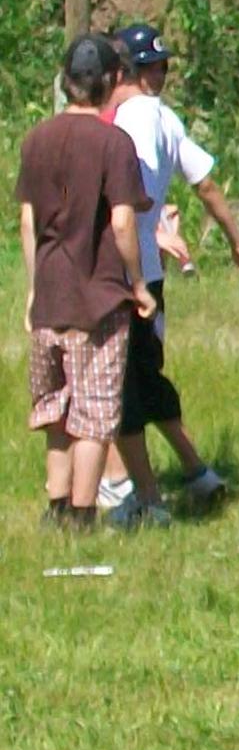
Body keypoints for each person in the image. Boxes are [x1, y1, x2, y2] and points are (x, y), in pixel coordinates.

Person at [97, 22, 239, 526]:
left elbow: (135, 190)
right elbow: (205, 183)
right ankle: (196, 472)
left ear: (118, 72)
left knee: (119, 384)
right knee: (147, 377)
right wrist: (236, 241)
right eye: (156, 66)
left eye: (162, 67)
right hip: (149, 266)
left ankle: (135, 492)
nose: (160, 75)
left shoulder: (134, 118)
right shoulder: (164, 116)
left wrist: (145, 224)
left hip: (125, 268)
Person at [15, 36, 154, 529]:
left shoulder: (36, 139)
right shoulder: (114, 143)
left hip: (50, 295)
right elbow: (122, 222)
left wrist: (34, 289)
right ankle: (81, 512)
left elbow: (28, 222)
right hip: (98, 297)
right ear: (114, 80)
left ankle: (55, 507)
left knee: (54, 406)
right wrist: (139, 283)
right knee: (94, 412)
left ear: (65, 79)